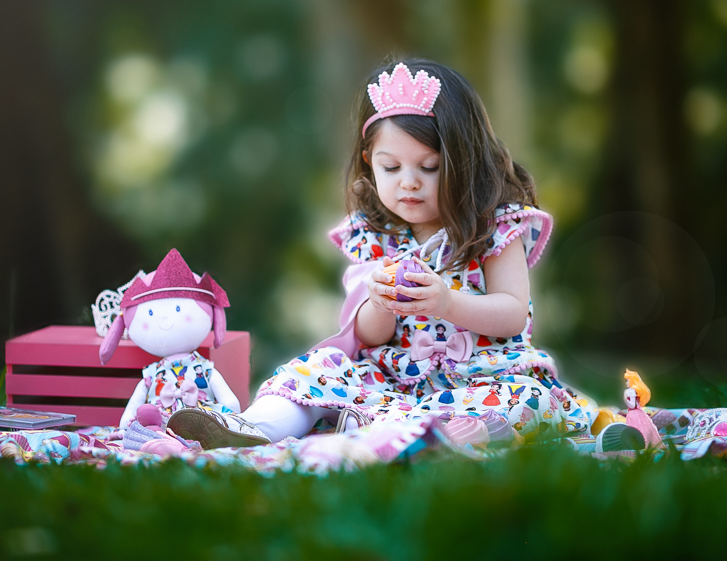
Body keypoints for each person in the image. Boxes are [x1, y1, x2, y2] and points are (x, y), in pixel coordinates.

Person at [191, 58, 597, 447]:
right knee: (315, 370)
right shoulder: (374, 235)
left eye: (429, 167)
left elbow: (512, 315)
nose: (409, 183)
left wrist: (447, 302)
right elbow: (368, 336)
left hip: (483, 380)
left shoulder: (494, 227)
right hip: (392, 380)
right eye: (391, 168)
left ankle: (429, 434)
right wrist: (380, 303)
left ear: (466, 162)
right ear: (369, 162)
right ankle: (256, 427)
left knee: (530, 399)